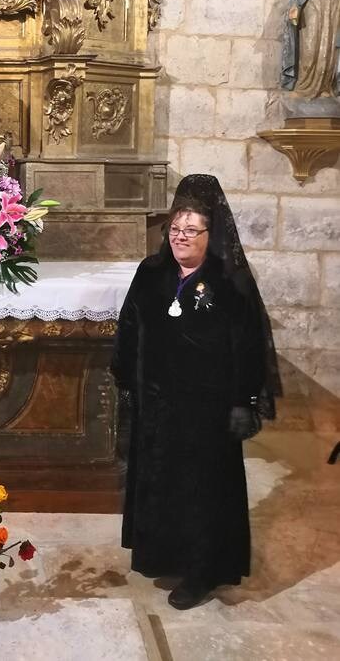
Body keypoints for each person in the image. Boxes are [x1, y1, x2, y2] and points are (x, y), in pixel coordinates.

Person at [112, 174, 277, 610]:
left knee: (202, 492)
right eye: (175, 229)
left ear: (212, 233)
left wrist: (244, 401)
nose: (181, 237)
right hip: (157, 409)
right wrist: (126, 381)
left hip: (206, 413)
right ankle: (165, 555)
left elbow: (247, 347)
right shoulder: (151, 272)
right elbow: (128, 327)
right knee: (160, 486)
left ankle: (202, 572)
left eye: (192, 230)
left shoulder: (230, 283)